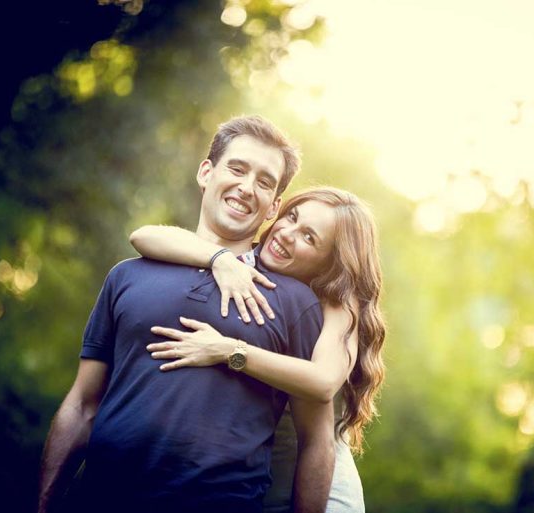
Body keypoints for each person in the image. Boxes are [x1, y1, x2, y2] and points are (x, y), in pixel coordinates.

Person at [37, 115, 336, 513]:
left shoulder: (294, 302)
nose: (247, 188)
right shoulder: (128, 275)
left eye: (264, 182)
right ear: (206, 172)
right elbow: (81, 405)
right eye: (237, 168)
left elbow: (316, 441)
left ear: (274, 207)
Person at [128, 187, 386, 512]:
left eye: (309, 237)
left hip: (320, 480)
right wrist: (219, 258)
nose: (287, 233)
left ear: (331, 262)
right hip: (252, 476)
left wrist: (230, 351)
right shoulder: (243, 263)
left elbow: (323, 383)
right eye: (291, 217)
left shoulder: (337, 301)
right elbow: (143, 236)